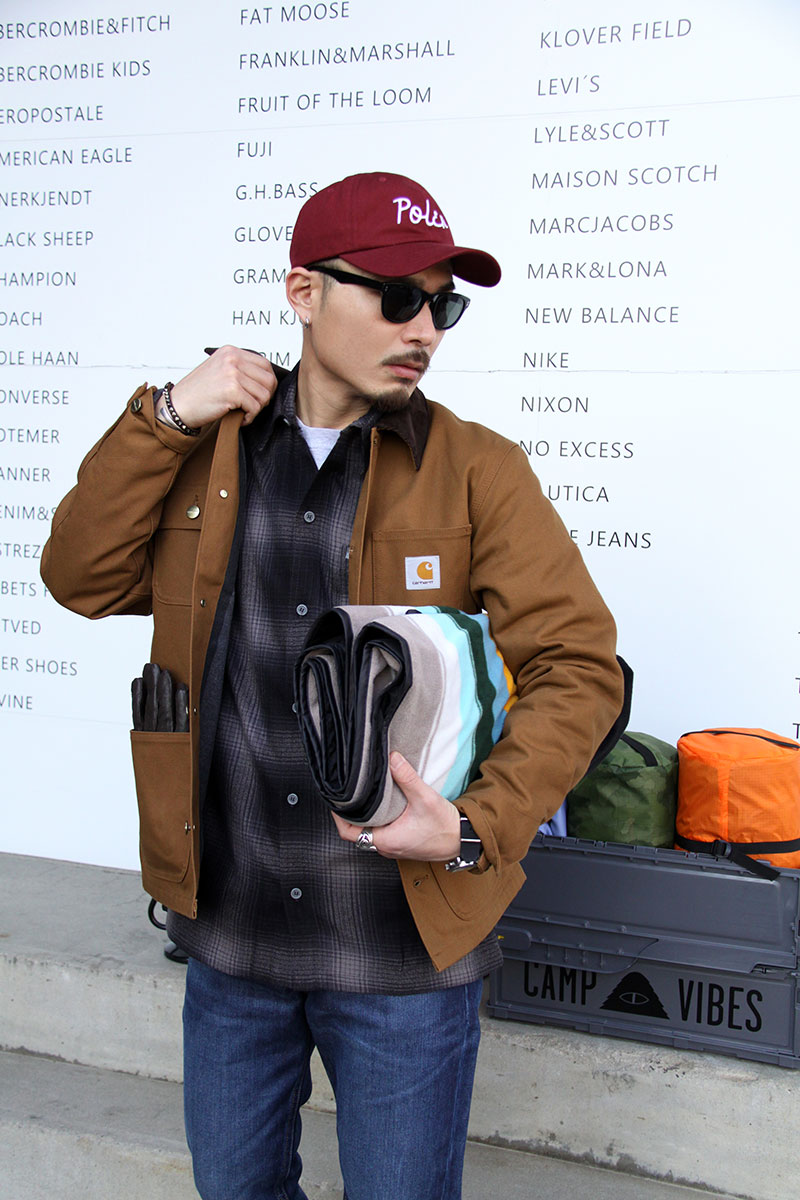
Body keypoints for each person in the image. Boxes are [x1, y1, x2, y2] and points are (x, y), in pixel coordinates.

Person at [42, 171, 623, 1200]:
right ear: (303, 292)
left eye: (441, 306)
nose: (423, 329)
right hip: (232, 940)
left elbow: (578, 665)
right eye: (396, 298)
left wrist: (475, 826)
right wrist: (166, 414)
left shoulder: (478, 470)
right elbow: (80, 578)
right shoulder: (203, 455)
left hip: (402, 952)